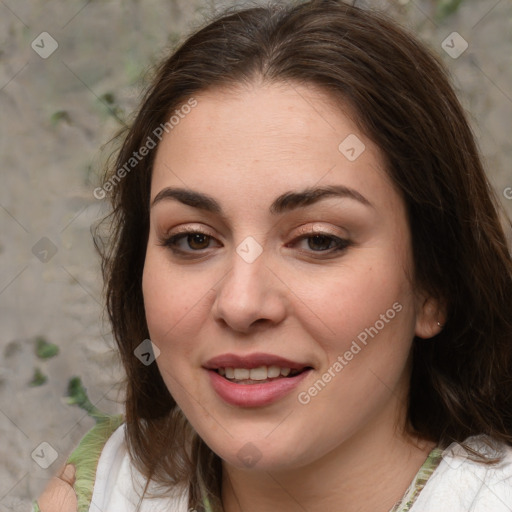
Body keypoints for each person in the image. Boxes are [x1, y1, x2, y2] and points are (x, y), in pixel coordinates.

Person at [35, 0, 512, 511]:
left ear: (434, 284)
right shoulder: (99, 491)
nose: (241, 304)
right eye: (194, 239)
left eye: (318, 240)